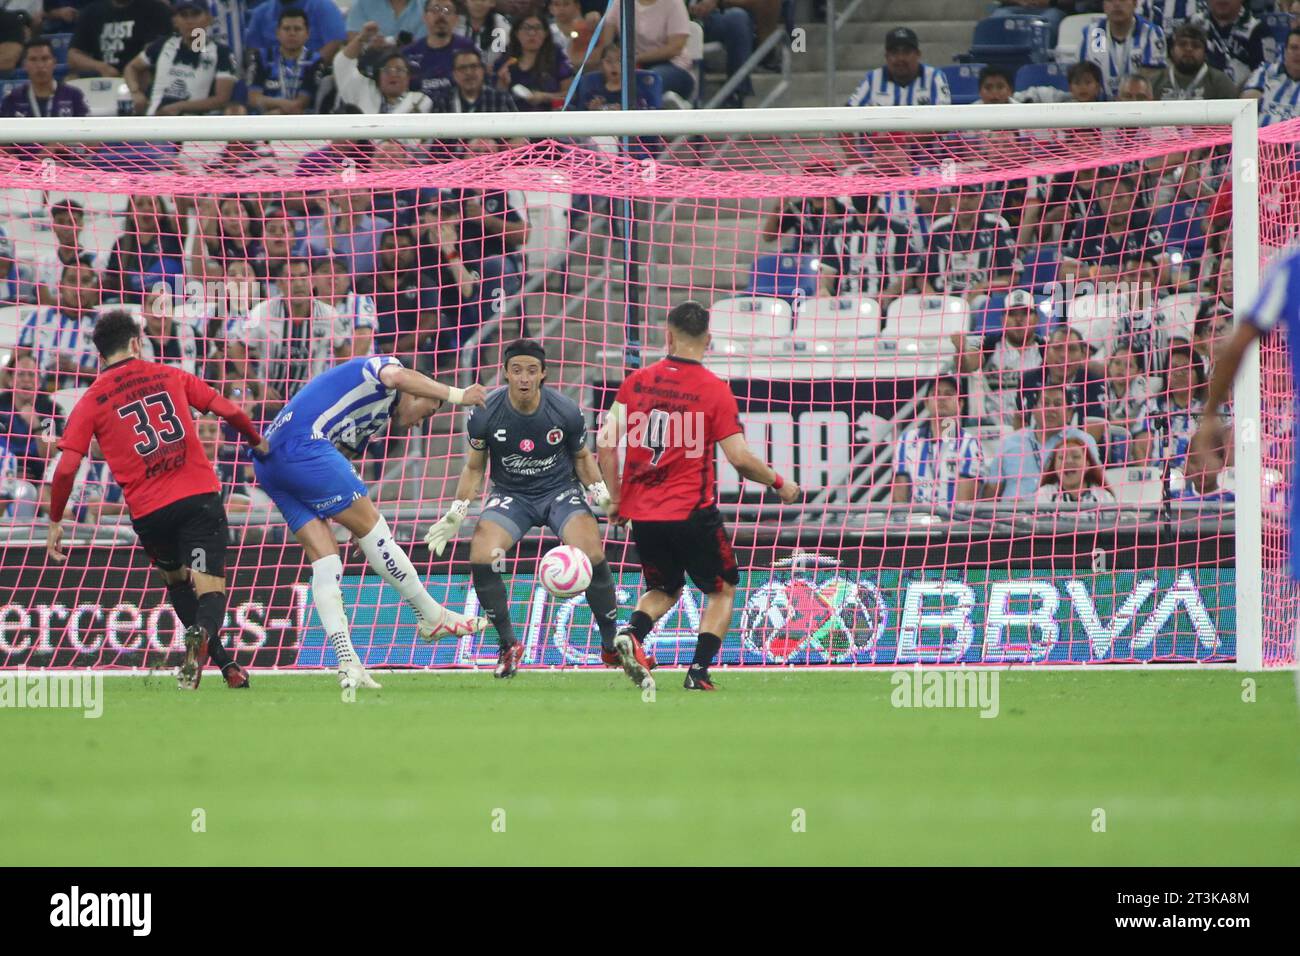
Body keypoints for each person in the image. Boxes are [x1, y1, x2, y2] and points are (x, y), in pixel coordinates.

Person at [45, 309, 264, 689]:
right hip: (197, 499)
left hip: (150, 514)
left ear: (100, 355)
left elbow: (65, 469)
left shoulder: (92, 398)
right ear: (136, 343)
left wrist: (55, 520)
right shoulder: (169, 374)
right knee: (210, 588)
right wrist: (256, 440)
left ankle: (226, 666)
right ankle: (202, 634)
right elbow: (228, 410)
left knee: (178, 582)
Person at [596, 302, 802, 691]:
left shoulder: (635, 382)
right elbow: (740, 460)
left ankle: (631, 633)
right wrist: (780, 484)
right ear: (708, 340)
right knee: (722, 589)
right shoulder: (714, 390)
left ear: (667, 335)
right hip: (692, 511)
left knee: (664, 588)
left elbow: (605, 445)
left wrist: (617, 498)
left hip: (645, 514)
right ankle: (698, 672)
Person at [254, 355, 488, 690]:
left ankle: (347, 661)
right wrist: (456, 395)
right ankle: (432, 616)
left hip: (271, 462)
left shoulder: (374, 419)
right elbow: (397, 376)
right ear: (419, 393)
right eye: (429, 411)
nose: (422, 422)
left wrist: (352, 520)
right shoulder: (380, 371)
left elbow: (341, 456)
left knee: (326, 561)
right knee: (376, 531)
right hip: (300, 445)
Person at [424, 339, 625, 679]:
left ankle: (610, 643)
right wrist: (457, 512)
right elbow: (474, 468)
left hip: (559, 492)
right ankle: (508, 645)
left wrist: (602, 495)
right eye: (516, 370)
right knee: (483, 554)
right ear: (505, 373)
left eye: (531, 370)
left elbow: (581, 458)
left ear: (543, 374)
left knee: (590, 551)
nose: (524, 378)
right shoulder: (485, 412)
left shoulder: (564, 410)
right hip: (512, 495)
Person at [984, 383, 1102, 501]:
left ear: (1069, 412)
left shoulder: (1083, 441)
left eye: (1057, 404)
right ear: (1034, 410)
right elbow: (992, 491)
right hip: (1010, 516)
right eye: (1045, 403)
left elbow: (1095, 484)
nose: (1050, 409)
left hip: (1060, 515)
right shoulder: (1010, 443)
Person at [892, 376, 983, 506]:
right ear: (926, 403)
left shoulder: (969, 444)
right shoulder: (907, 440)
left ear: (960, 404)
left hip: (953, 523)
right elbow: (899, 494)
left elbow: (964, 501)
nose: (941, 398)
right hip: (915, 523)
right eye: (935, 393)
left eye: (949, 394)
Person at [334, 21, 433, 113]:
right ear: (378, 75)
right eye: (387, 70)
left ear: (408, 77)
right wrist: (362, 38)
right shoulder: (364, 90)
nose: (393, 74)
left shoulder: (419, 100)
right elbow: (342, 63)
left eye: (399, 70)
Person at [1078, 0, 1167, 99]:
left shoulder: (1152, 33)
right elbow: (1083, 76)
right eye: (1110, 1)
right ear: (1104, 5)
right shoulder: (1092, 34)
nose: (1116, 4)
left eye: (1123, 0)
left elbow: (1152, 80)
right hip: (1099, 108)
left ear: (1135, 3)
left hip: (1137, 105)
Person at [67, 0, 173, 78]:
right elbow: (73, 55)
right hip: (103, 77)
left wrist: (131, 71)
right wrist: (101, 67)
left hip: (139, 76)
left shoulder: (156, 9)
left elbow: (154, 53)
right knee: (70, 79)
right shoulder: (91, 12)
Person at [247, 8, 322, 115]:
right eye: (286, 29)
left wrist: (280, 112)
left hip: (302, 122)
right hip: (265, 120)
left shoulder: (314, 60)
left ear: (307, 34)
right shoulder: (262, 57)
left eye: (297, 29)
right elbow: (253, 98)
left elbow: (301, 103)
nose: (292, 33)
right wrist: (281, 105)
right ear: (277, 32)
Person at [493, 11, 573, 108]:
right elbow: (494, 99)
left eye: (538, 28)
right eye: (526, 28)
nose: (532, 33)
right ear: (516, 33)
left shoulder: (556, 56)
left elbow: (570, 95)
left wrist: (545, 97)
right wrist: (502, 85)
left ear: (546, 33)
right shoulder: (506, 60)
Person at [403, 0, 475, 98]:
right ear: (424, 17)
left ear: (456, 19)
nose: (441, 15)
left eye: (447, 10)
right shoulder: (408, 53)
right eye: (435, 10)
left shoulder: (467, 49)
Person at [0, 38, 89, 117]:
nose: (40, 65)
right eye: (33, 59)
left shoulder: (73, 96)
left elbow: (87, 131)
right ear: (24, 65)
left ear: (54, 62)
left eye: (45, 59)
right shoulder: (13, 99)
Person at [1150, 21, 1239, 100]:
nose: (1189, 49)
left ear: (1205, 53)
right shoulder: (1155, 82)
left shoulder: (1220, 83)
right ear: (1172, 51)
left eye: (1196, 45)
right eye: (1182, 44)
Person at [1243, 26, 1300, 126]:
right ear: (1285, 51)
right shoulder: (1266, 71)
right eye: (1294, 48)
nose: (1298, 53)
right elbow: (1246, 103)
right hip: (1258, 138)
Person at [1034, 435, 1116, 504]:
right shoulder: (1044, 494)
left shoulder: (1103, 497)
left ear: (1088, 464)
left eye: (1076, 457)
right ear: (1054, 466)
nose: (1068, 461)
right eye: (1062, 457)